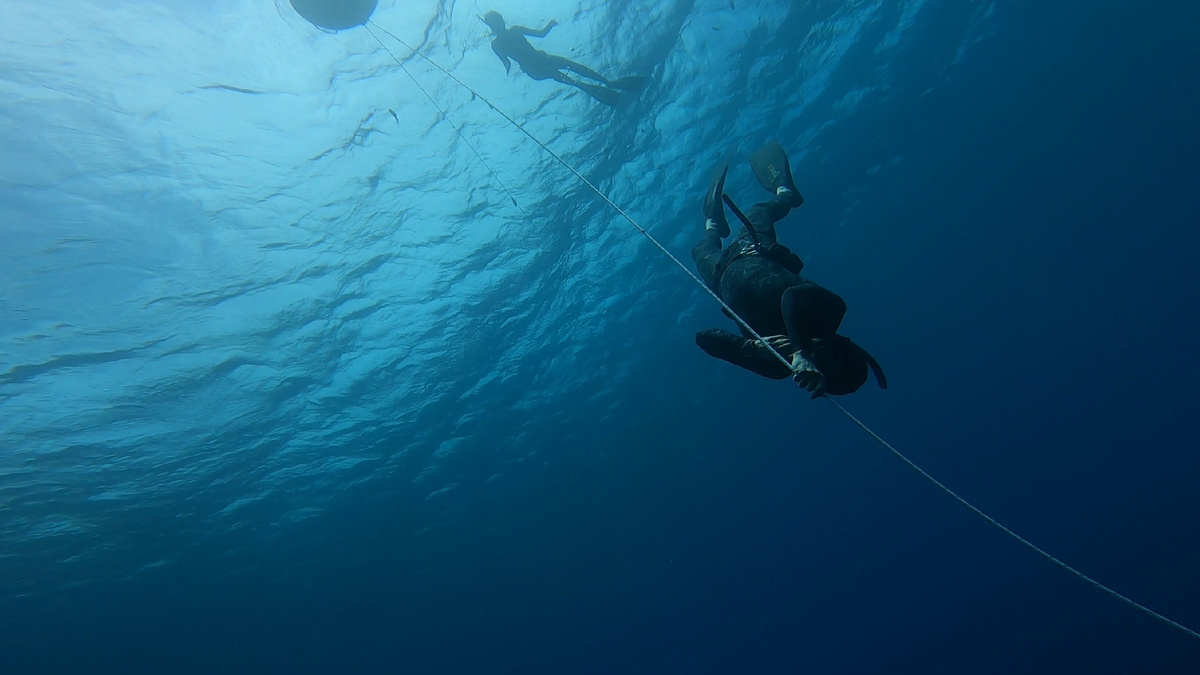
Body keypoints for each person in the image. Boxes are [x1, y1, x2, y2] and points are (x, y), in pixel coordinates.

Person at [691, 141, 887, 398]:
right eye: (838, 357)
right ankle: (786, 193)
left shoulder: (776, 366)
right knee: (758, 211)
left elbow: (704, 338)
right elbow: (791, 296)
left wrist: (751, 347)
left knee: (700, 250)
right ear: (845, 347)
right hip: (754, 250)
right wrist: (799, 351)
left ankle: (713, 223)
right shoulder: (830, 311)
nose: (827, 358)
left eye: (828, 367)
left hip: (720, 276)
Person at [481, 11, 646, 106]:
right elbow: (506, 61)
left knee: (571, 65)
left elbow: (540, 34)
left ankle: (609, 84)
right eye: (496, 21)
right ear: (493, 25)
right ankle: (609, 91)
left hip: (540, 59)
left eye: (498, 19)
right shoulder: (499, 42)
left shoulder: (510, 34)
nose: (499, 22)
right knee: (561, 75)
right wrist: (508, 66)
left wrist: (550, 25)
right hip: (534, 68)